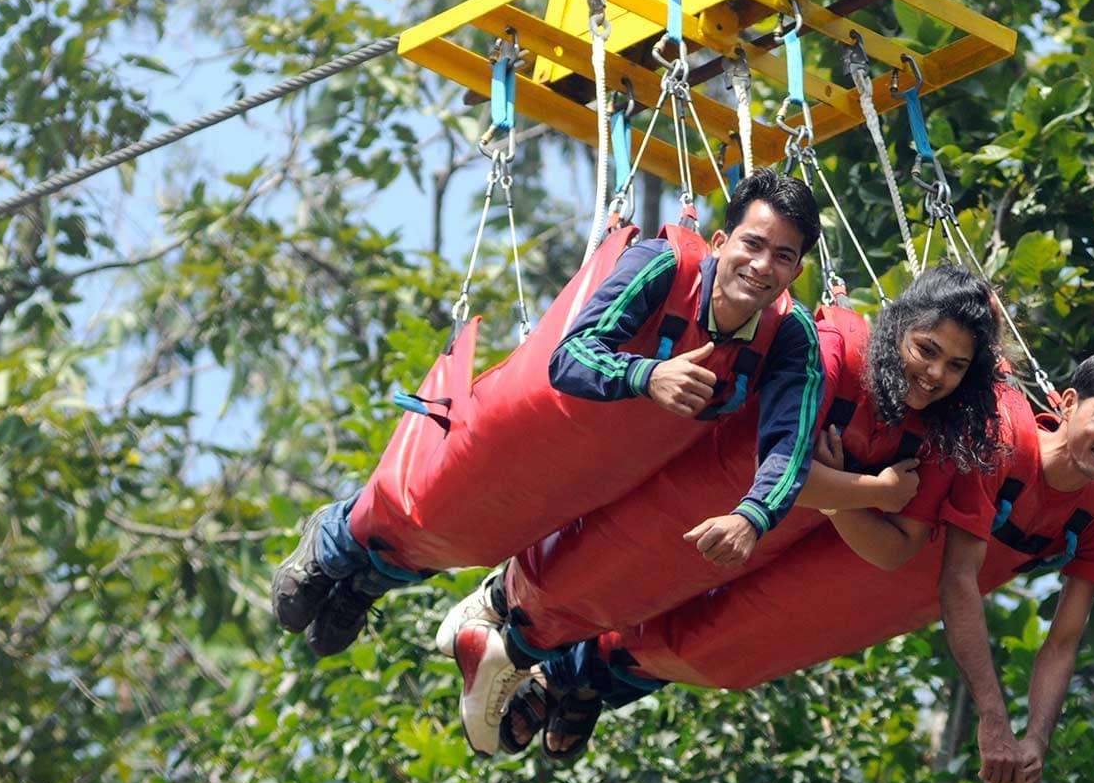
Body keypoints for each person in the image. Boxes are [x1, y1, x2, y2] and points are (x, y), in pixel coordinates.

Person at [518, 349, 1094, 783]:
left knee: (730, 650)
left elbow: (1065, 640)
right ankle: (555, 661)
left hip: (888, 595)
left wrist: (1036, 742)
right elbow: (957, 581)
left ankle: (591, 684)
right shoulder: (1003, 438)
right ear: (1070, 401)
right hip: (867, 543)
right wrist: (995, 722)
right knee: (719, 593)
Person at [270, 170, 826, 667]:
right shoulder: (664, 267)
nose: (761, 266)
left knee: (485, 534)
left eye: (782, 256)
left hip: (600, 471)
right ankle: (336, 542)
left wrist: (755, 515)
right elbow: (570, 355)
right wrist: (647, 376)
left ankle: (363, 585)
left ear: (796, 270)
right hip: (541, 427)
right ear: (722, 242)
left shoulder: (788, 334)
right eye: (753, 244)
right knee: (447, 496)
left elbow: (790, 440)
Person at [452, 264, 1009, 758]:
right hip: (704, 501)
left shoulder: (948, 429)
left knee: (704, 635)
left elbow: (894, 549)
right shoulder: (833, 350)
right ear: (898, 330)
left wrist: (840, 495)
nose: (935, 375)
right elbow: (782, 468)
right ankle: (505, 626)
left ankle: (573, 681)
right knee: (611, 575)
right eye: (926, 350)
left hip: (761, 542)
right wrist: (874, 491)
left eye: (956, 365)